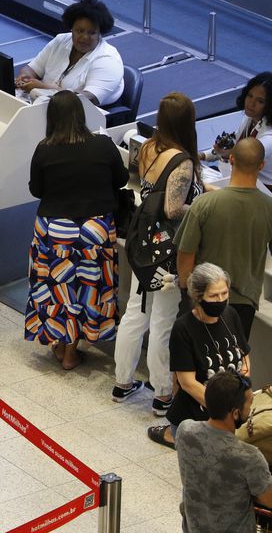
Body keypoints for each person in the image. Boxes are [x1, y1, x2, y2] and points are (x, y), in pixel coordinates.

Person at [112, 93, 204, 417]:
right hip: (168, 250)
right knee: (163, 320)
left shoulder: (149, 147)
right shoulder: (182, 161)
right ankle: (163, 391)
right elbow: (173, 208)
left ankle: (122, 381)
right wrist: (203, 205)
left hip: (144, 242)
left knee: (136, 312)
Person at [24, 90, 128, 370]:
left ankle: (60, 342)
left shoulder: (45, 148)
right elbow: (122, 179)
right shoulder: (103, 146)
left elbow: (36, 190)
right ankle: (71, 350)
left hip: (54, 230)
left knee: (58, 288)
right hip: (95, 229)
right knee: (89, 288)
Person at [174, 137, 272, 338]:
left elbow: (185, 253)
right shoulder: (269, 208)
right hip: (244, 303)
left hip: (203, 296)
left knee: (193, 362)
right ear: (262, 165)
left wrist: (188, 293)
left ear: (232, 159)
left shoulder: (204, 204)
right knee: (230, 363)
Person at [147, 263, 250, 449]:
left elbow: (244, 354)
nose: (220, 300)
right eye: (213, 296)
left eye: (224, 294)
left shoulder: (231, 314)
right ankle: (172, 434)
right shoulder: (183, 328)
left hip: (231, 413)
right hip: (198, 417)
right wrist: (224, 412)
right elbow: (187, 382)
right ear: (198, 296)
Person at [175, 370, 272, 532]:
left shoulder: (185, 430)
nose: (251, 408)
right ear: (235, 413)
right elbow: (269, 499)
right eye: (250, 403)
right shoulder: (249, 456)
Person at [15, 0, 123, 106]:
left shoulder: (108, 60)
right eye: (80, 31)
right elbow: (31, 69)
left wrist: (44, 87)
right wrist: (25, 78)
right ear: (71, 28)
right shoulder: (60, 40)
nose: (85, 37)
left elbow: (87, 99)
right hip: (41, 104)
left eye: (92, 33)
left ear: (100, 33)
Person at [208, 71, 272, 190]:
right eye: (250, 95)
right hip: (246, 181)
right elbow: (232, 149)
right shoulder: (249, 119)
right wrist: (202, 156)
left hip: (264, 192)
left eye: (260, 101)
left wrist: (225, 155)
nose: (251, 103)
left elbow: (237, 164)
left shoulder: (268, 139)